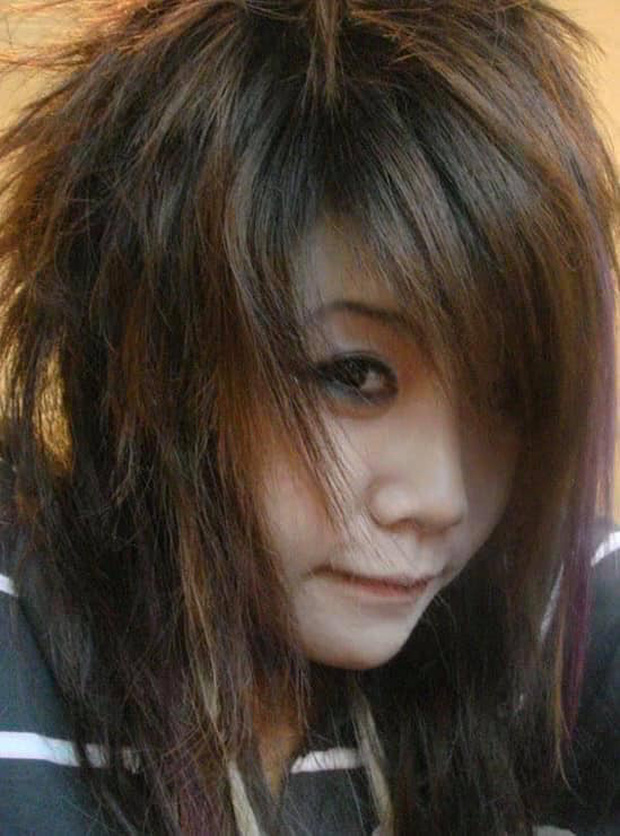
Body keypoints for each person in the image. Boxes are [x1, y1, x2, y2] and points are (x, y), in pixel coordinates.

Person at [0, 0, 618, 833]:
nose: (442, 500)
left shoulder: (533, 612)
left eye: (507, 397)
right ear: (155, 350)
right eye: (353, 374)